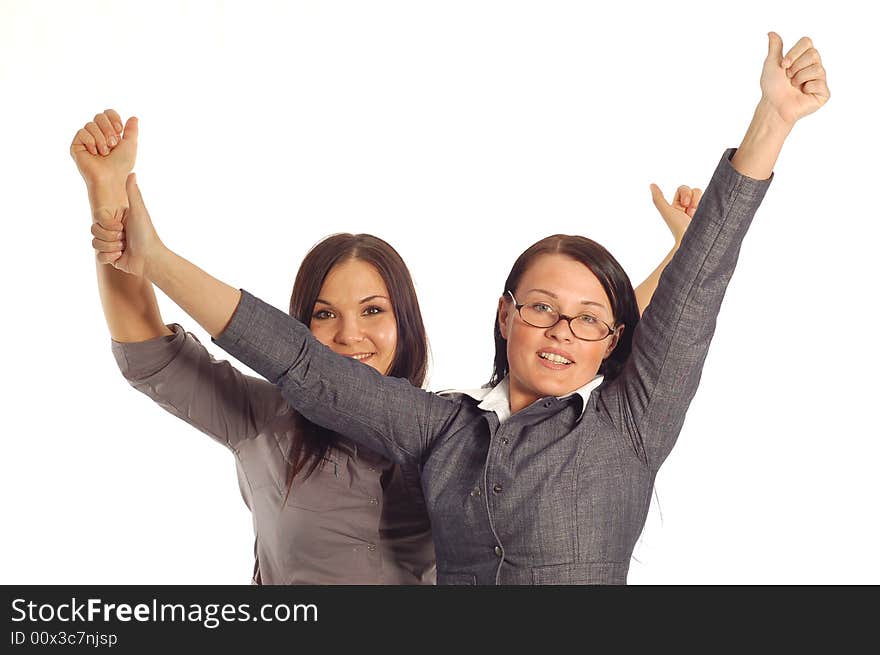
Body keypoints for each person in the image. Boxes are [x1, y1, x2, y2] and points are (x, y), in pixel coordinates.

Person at [86, 32, 828, 584]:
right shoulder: (442, 430)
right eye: (539, 308)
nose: (561, 331)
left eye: (585, 321)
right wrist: (149, 256)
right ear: (504, 315)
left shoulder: (622, 427)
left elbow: (676, 302)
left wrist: (772, 123)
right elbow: (297, 364)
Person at [73, 112, 696, 584]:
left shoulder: (450, 433)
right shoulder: (261, 419)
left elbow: (577, 327)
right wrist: (110, 196)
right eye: (323, 316)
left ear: (408, 322)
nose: (349, 335)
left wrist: (679, 260)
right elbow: (146, 351)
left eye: (374, 312)